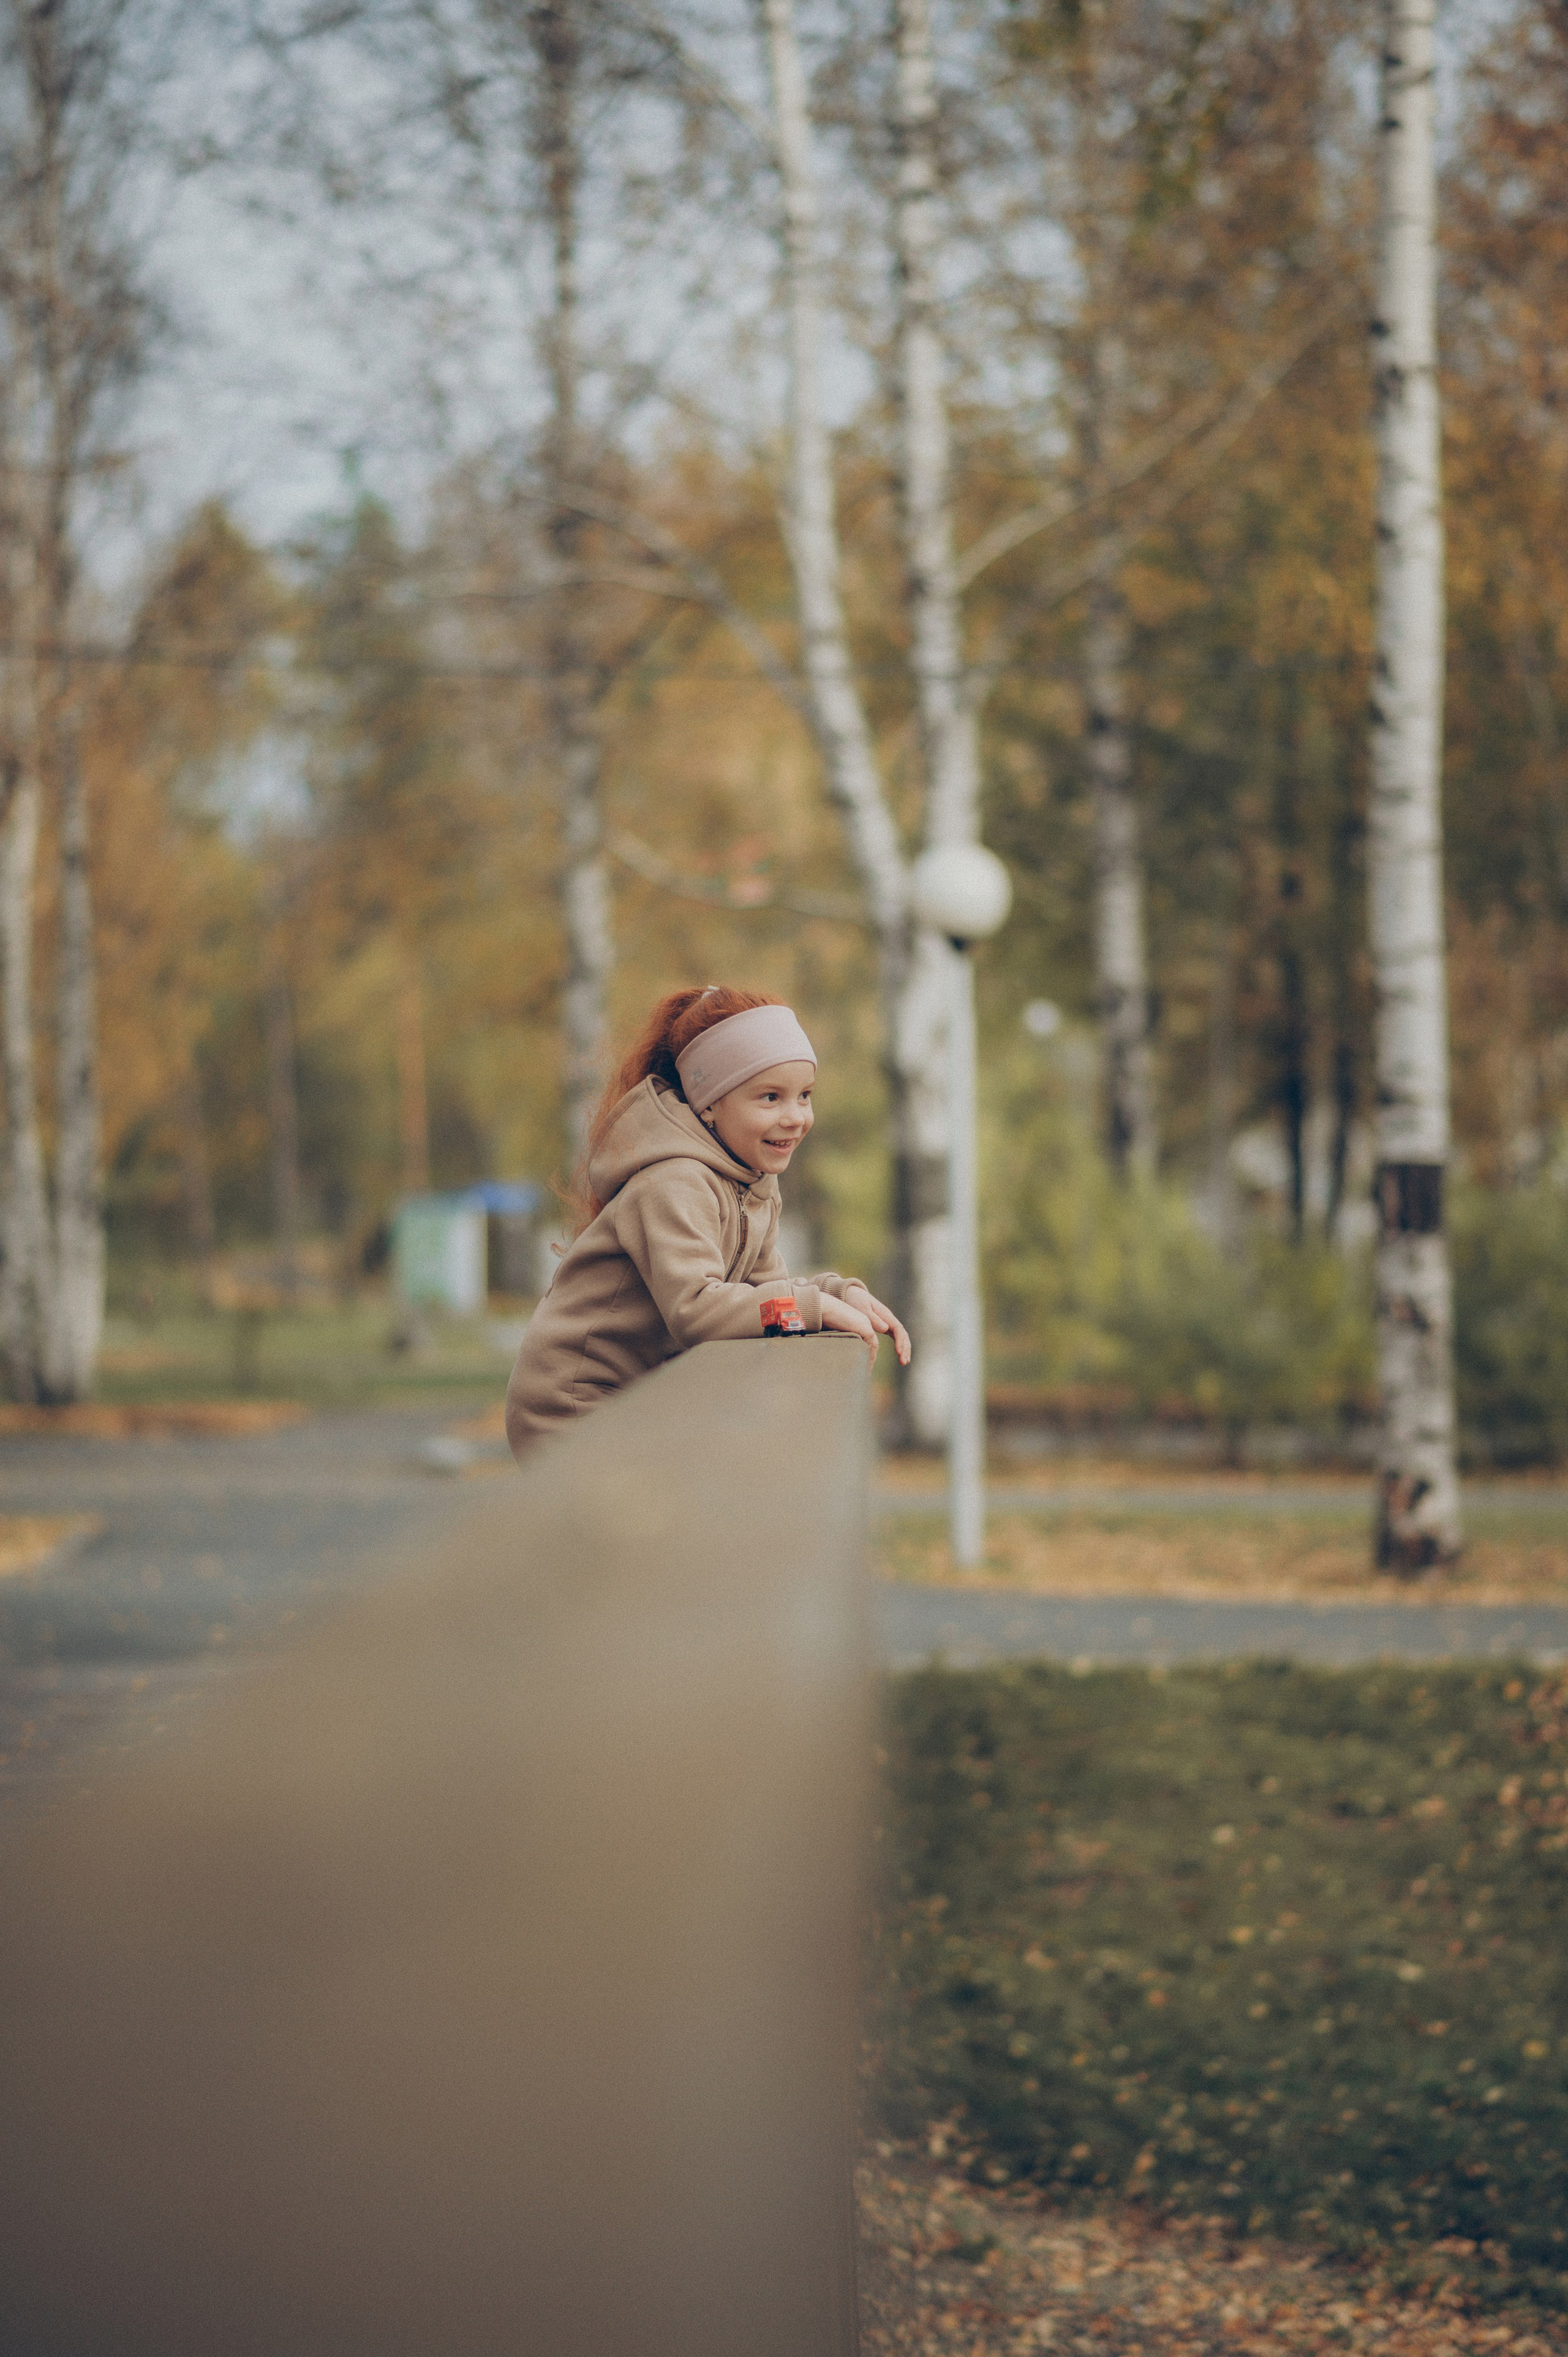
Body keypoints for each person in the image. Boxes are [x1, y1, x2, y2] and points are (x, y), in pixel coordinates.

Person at [505, 985, 911, 1458]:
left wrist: (836, 1294)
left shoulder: (752, 1183)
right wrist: (810, 1309)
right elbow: (697, 1309)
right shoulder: (672, 1182)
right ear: (711, 1103)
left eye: (805, 1095)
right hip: (574, 1407)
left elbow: (763, 1293)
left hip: (645, 1403)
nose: (797, 1117)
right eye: (770, 1097)